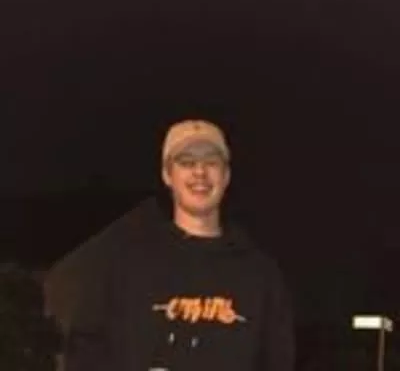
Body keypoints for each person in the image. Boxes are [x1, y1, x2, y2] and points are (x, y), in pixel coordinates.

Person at [63, 119, 295, 371]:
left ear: (226, 175)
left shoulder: (260, 275)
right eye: (186, 162)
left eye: (211, 162)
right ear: (167, 174)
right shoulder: (125, 266)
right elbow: (84, 354)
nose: (200, 172)